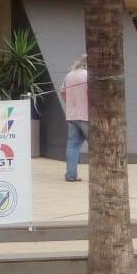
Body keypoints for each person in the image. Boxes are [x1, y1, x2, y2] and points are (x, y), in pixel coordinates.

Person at [60, 54, 89, 182]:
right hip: (87, 116)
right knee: (96, 147)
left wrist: (70, 104)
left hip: (71, 116)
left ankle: (71, 175)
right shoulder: (88, 75)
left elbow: (62, 92)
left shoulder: (69, 75)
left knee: (72, 146)